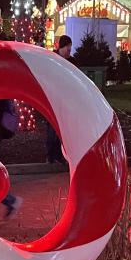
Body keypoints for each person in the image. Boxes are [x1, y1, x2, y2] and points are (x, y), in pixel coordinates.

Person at [46, 35, 73, 165]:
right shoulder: (52, 60)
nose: (69, 50)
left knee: (61, 131)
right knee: (52, 129)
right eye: (67, 48)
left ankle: (58, 155)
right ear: (62, 47)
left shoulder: (71, 61)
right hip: (54, 101)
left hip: (65, 101)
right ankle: (51, 155)